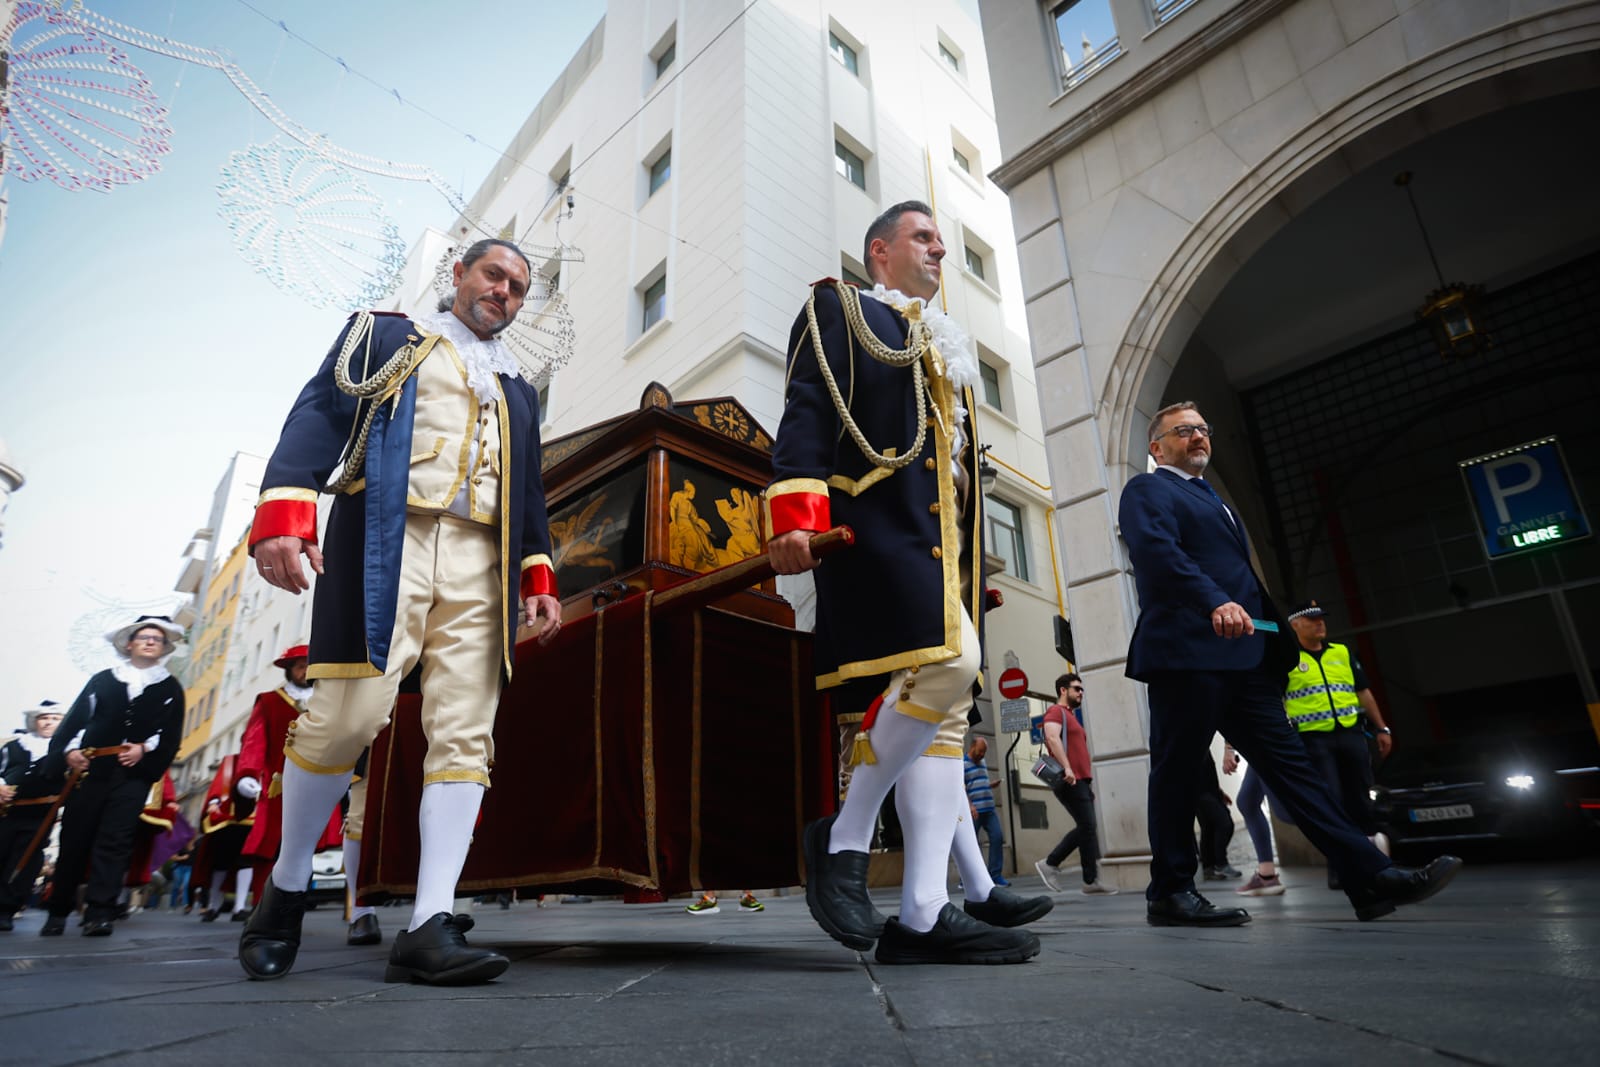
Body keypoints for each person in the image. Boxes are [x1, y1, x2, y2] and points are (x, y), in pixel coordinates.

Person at [240, 238, 562, 985]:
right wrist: (285, 513)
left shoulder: (519, 390)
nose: (505, 292)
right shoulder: (388, 337)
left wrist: (535, 572)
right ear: (458, 274)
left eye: (518, 286)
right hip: (393, 536)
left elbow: (531, 491)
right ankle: (286, 887)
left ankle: (429, 920)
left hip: (482, 561)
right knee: (350, 716)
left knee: (465, 731)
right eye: (494, 275)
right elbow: (320, 411)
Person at [769, 200, 1038, 965]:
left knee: (946, 718)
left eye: (943, 242)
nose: (940, 250)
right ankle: (845, 836)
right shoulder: (844, 307)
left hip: (938, 551)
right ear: (879, 250)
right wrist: (793, 510)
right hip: (877, 534)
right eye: (924, 238)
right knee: (951, 668)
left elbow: (958, 474)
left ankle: (923, 912)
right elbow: (808, 405)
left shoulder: (946, 345)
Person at [1119, 401, 1461, 925]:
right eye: (1183, 431)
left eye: (1203, 429)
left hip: (1246, 657)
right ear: (1156, 446)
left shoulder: (1213, 497)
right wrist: (1213, 601)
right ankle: (1170, 891)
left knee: (1296, 774)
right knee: (1179, 772)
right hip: (1188, 651)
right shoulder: (1148, 489)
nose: (1197, 437)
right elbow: (1158, 555)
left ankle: (1368, 877)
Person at [41, 615, 186, 936]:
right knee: (75, 839)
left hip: (133, 776)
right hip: (92, 771)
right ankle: (58, 910)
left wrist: (143, 753)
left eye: (158, 639)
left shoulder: (170, 688)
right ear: (129, 643)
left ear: (164, 648)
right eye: (144, 636)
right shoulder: (103, 680)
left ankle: (99, 912)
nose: (150, 641)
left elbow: (171, 735)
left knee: (116, 841)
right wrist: (68, 754)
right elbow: (77, 721)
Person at [232, 645, 350, 935]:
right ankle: (263, 907)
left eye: (310, 665)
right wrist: (247, 773)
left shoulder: (331, 702)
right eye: (299, 665)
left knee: (305, 849)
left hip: (319, 783)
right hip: (277, 788)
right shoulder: (270, 701)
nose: (305, 670)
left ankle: (291, 905)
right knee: (267, 850)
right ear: (289, 669)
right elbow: (254, 740)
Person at [1284, 599, 1393, 886]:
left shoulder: (1342, 653)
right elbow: (1277, 701)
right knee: (1331, 801)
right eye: (1312, 620)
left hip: (1350, 734)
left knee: (1360, 796)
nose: (1320, 623)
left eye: (1322, 618)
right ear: (1295, 625)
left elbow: (1363, 693)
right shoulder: (1288, 659)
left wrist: (1382, 728)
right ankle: (1340, 867)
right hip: (1313, 740)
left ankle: (1374, 863)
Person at [1034, 674, 1116, 895]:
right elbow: (1052, 738)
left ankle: (1090, 880)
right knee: (1087, 827)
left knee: (1087, 828)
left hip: (1080, 779)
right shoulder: (1055, 712)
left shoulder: (1071, 716)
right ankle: (1052, 863)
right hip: (1069, 778)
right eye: (1077, 689)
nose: (1081, 693)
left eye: (1082, 689)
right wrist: (1068, 768)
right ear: (1063, 690)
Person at [0, 702, 66, 930]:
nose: (49, 722)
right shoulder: (15, 746)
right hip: (6, 810)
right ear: (35, 721)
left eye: (55, 718)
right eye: (44, 717)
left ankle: (6, 909)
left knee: (24, 861)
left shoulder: (66, 750)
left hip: (41, 814)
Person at [194, 755, 256, 922]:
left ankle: (240, 907)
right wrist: (213, 802)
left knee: (246, 861)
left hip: (251, 821)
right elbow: (218, 785)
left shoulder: (264, 760)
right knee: (220, 863)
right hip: (227, 820)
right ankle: (214, 906)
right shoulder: (231, 761)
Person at [1225, 746, 1286, 896]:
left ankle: (1348, 855)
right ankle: (1267, 876)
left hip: (1268, 740)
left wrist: (1229, 748)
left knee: (1287, 812)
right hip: (1260, 746)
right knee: (1247, 801)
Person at [962, 738, 1007, 885]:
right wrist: (970, 805)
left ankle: (995, 875)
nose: (982, 754)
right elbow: (960, 788)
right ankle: (969, 879)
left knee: (997, 838)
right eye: (980, 751)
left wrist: (990, 785)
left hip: (989, 808)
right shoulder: (962, 763)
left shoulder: (983, 761)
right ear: (973, 746)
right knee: (972, 845)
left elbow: (977, 782)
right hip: (974, 812)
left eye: (984, 752)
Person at [1194, 753, 1239, 881]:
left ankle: (1209, 867)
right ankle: (1220, 863)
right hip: (1198, 792)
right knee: (1224, 823)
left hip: (1211, 791)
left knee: (1208, 828)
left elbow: (1208, 771)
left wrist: (1219, 792)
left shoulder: (1203, 741)